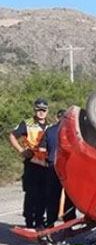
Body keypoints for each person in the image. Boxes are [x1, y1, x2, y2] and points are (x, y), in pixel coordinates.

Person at [8, 98, 50, 228]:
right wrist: (21, 150)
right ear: (34, 110)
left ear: (47, 111)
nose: (41, 112)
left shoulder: (50, 125)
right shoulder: (27, 123)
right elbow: (12, 135)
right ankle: (29, 220)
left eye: (43, 110)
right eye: (38, 110)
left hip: (45, 164)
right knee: (31, 193)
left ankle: (39, 219)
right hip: (32, 163)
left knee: (43, 193)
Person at [43, 109, 76, 227]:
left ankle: (50, 223)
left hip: (53, 167)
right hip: (68, 168)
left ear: (57, 118)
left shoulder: (50, 131)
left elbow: (43, 150)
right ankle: (69, 224)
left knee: (52, 197)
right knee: (70, 197)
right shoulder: (72, 132)